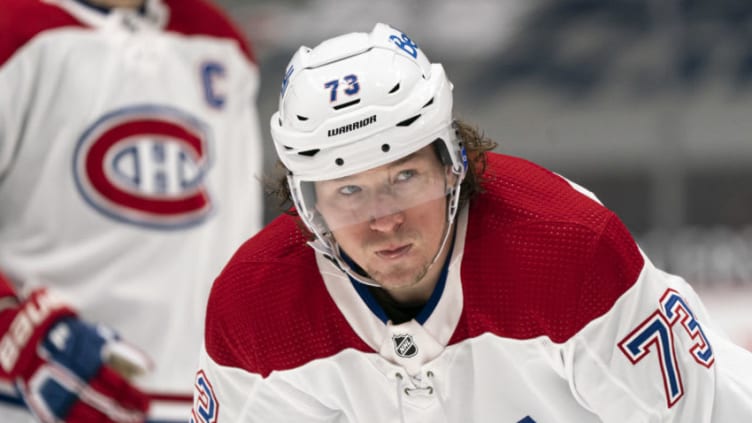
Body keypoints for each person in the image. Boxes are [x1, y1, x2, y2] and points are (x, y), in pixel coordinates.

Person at [192, 22, 752, 422]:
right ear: (307, 206)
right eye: (348, 192)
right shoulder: (254, 309)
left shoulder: (565, 249)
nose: (382, 219)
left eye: (403, 178)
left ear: (452, 163)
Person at [0, 0, 264, 422]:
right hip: (40, 402)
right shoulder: (13, 30)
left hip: (205, 400)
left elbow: (237, 234)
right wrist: (13, 328)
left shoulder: (220, 41)